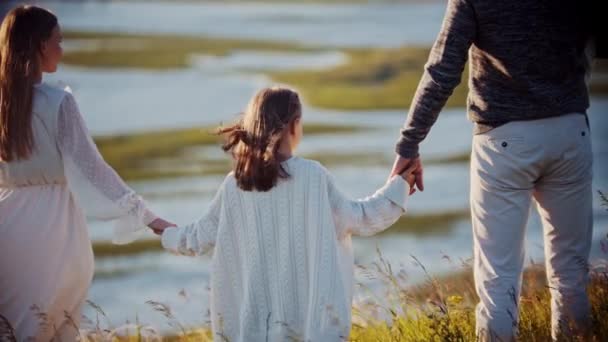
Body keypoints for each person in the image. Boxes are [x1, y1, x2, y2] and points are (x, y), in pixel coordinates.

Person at [389, 1, 594, 340]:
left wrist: (408, 144)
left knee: (499, 280)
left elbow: (442, 70)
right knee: (572, 275)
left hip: (503, 140)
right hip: (570, 130)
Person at [159, 87, 416, 341]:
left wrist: (159, 227)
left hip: (251, 332)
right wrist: (401, 184)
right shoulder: (312, 176)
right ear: (293, 126)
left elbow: (195, 238)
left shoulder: (235, 184)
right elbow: (362, 218)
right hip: (307, 332)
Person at [0, 6, 172, 340]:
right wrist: (149, 218)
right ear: (39, 46)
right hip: (54, 235)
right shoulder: (58, 102)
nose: (62, 50)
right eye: (57, 42)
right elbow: (94, 170)